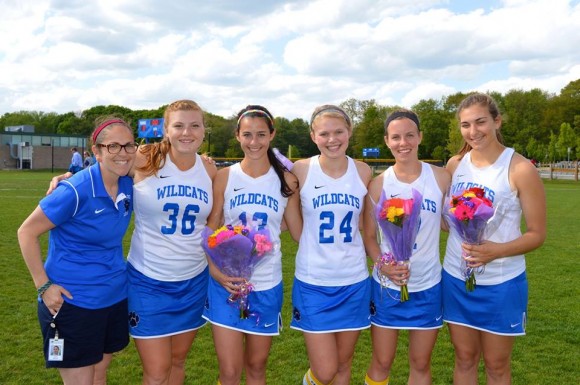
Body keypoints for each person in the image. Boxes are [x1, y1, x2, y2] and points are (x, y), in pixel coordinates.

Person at [18, 117, 137, 385]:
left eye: (128, 145)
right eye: (113, 146)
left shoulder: (128, 183)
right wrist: (43, 285)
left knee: (99, 373)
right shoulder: (74, 189)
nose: (122, 153)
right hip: (73, 301)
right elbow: (26, 232)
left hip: (114, 297)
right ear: (96, 151)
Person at [443, 93, 546, 384]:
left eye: (480, 122)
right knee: (464, 358)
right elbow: (447, 223)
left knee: (496, 366)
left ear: (496, 121)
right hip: (455, 277)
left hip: (502, 281)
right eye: (465, 125)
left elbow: (537, 234)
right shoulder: (455, 165)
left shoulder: (521, 169)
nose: (473, 132)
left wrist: (496, 251)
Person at [203, 105, 302, 385]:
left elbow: (297, 231)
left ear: (272, 134)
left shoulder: (286, 179)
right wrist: (215, 270)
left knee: (257, 367)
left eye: (261, 134)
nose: (254, 142)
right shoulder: (225, 177)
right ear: (237, 135)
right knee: (230, 371)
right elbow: (212, 228)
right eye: (247, 134)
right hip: (227, 283)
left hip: (267, 283)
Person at [127, 99, 217, 385]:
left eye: (194, 125)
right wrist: (67, 176)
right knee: (156, 371)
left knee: (177, 362)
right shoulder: (145, 157)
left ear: (204, 130)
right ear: (166, 129)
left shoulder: (209, 169)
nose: (186, 132)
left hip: (192, 280)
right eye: (178, 125)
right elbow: (103, 172)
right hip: (148, 279)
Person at [362, 109, 451, 385]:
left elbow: (451, 221)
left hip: (428, 284)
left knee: (421, 363)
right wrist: (383, 266)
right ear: (387, 141)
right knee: (381, 362)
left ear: (420, 137)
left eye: (410, 135)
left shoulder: (440, 177)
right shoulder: (377, 185)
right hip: (387, 286)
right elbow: (368, 237)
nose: (404, 143)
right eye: (396, 137)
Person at [290, 105, 372, 385]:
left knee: (342, 365)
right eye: (324, 133)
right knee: (324, 370)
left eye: (339, 132)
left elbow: (364, 224)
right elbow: (295, 227)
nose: (332, 139)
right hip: (314, 282)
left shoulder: (363, 171)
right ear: (313, 136)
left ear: (349, 132)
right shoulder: (300, 169)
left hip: (354, 281)